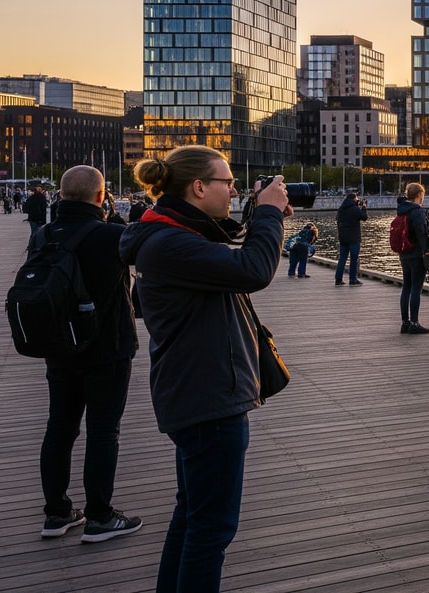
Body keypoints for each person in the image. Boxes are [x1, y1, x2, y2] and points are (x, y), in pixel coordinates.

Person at [120, 145, 290, 593]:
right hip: (208, 400)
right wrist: (269, 215)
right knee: (210, 531)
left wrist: (261, 212)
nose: (233, 190)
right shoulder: (171, 244)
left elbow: (228, 251)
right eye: (227, 182)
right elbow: (253, 269)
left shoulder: (172, 234)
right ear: (199, 187)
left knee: (192, 516)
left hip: (199, 391)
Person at [35, 166, 142, 543]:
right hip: (107, 348)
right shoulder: (112, 235)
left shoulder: (42, 235)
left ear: (61, 196)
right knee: (102, 431)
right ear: (100, 197)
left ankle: (56, 513)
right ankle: (99, 516)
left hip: (59, 347)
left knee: (59, 429)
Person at [395, 183, 429, 333]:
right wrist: (428, 250)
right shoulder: (417, 211)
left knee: (406, 287)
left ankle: (405, 322)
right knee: (416, 289)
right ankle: (415, 323)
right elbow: (422, 232)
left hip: (404, 253)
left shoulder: (402, 210)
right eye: (422, 195)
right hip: (417, 253)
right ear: (419, 195)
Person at [334, 190, 367, 286]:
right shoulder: (355, 209)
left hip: (343, 238)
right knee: (354, 259)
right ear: (353, 199)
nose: (358, 200)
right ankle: (353, 279)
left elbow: (338, 221)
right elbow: (364, 217)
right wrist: (364, 207)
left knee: (342, 259)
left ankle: (338, 279)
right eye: (357, 198)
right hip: (354, 238)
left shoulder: (341, 209)